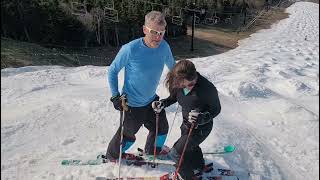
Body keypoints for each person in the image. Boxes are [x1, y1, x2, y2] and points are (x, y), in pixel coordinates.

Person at [106, 11, 175, 161]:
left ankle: (152, 151)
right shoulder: (130, 49)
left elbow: (174, 69)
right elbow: (112, 71)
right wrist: (115, 96)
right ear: (144, 29)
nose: (158, 37)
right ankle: (112, 156)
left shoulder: (164, 47)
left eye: (162, 33)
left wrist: (185, 84)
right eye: (154, 32)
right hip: (131, 104)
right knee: (128, 136)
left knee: (161, 130)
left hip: (151, 100)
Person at [152, 60, 221, 179]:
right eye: (186, 85)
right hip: (186, 125)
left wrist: (203, 117)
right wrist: (163, 103)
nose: (190, 86)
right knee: (190, 148)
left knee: (176, 153)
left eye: (193, 83)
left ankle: (186, 176)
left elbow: (216, 109)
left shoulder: (207, 88)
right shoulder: (176, 83)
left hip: (201, 128)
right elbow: (174, 97)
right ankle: (198, 165)